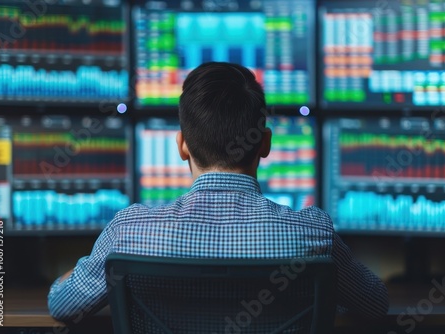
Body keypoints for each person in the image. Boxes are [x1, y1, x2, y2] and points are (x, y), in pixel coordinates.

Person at [48, 62, 389, 322]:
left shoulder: (129, 231)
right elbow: (375, 306)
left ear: (181, 145)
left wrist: (82, 269)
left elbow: (62, 306)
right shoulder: (315, 234)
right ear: (266, 143)